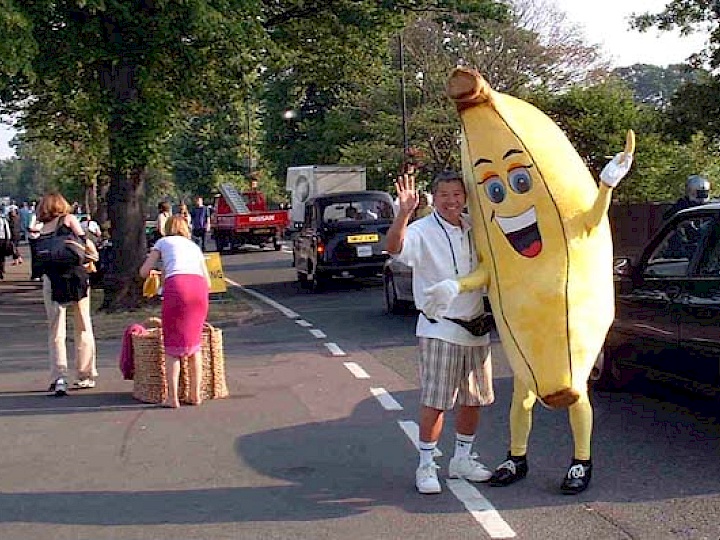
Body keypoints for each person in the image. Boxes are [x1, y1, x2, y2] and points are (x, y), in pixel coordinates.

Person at [386, 168, 494, 495]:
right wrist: (404, 213)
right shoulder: (421, 230)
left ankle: (462, 458)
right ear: (434, 198)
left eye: (457, 195)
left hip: (475, 326)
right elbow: (394, 248)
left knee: (474, 398)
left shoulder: (475, 228)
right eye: (444, 195)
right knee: (436, 401)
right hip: (440, 328)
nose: (451, 201)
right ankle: (426, 463)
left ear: (465, 197)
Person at [139, 215, 211, 408]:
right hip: (199, 288)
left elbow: (144, 271)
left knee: (172, 346)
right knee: (194, 344)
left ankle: (172, 397)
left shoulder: (163, 242)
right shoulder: (194, 247)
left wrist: (156, 273)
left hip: (177, 288)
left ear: (168, 228)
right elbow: (208, 281)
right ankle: (195, 394)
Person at [36, 193, 99, 396]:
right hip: (75, 278)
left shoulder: (41, 228)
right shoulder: (69, 220)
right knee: (82, 326)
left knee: (56, 331)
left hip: (52, 281)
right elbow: (84, 243)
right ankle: (85, 373)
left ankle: (59, 376)